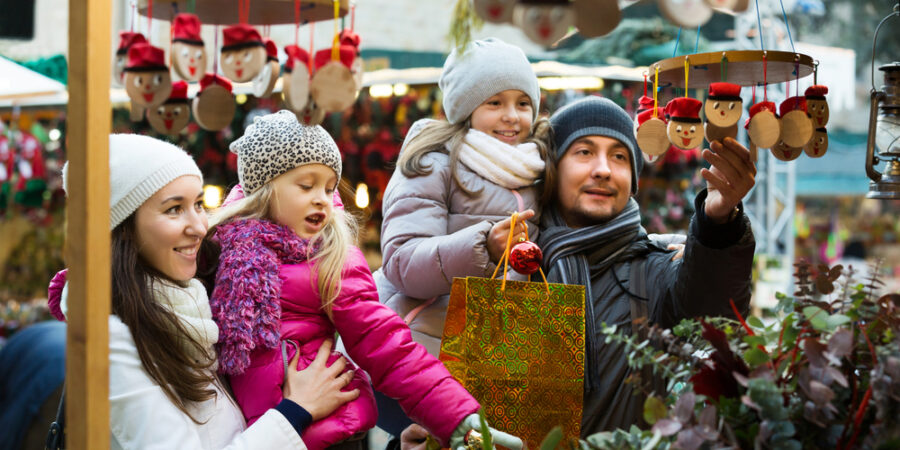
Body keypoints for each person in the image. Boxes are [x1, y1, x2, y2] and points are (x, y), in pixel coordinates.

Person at [205, 110, 520, 450]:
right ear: (264, 189)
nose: (321, 199)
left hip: (326, 431)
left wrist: (457, 417)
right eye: (306, 185)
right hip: (256, 432)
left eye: (328, 189)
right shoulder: (220, 249)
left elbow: (385, 343)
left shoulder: (329, 259)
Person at [50, 133, 358, 449]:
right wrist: (295, 411)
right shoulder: (107, 340)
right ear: (122, 228)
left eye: (198, 204)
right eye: (174, 209)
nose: (199, 226)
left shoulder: (197, 305)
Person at [537, 96, 756, 434]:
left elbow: (711, 306)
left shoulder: (653, 268)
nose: (604, 169)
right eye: (584, 152)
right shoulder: (514, 264)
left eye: (620, 156)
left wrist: (717, 222)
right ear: (553, 167)